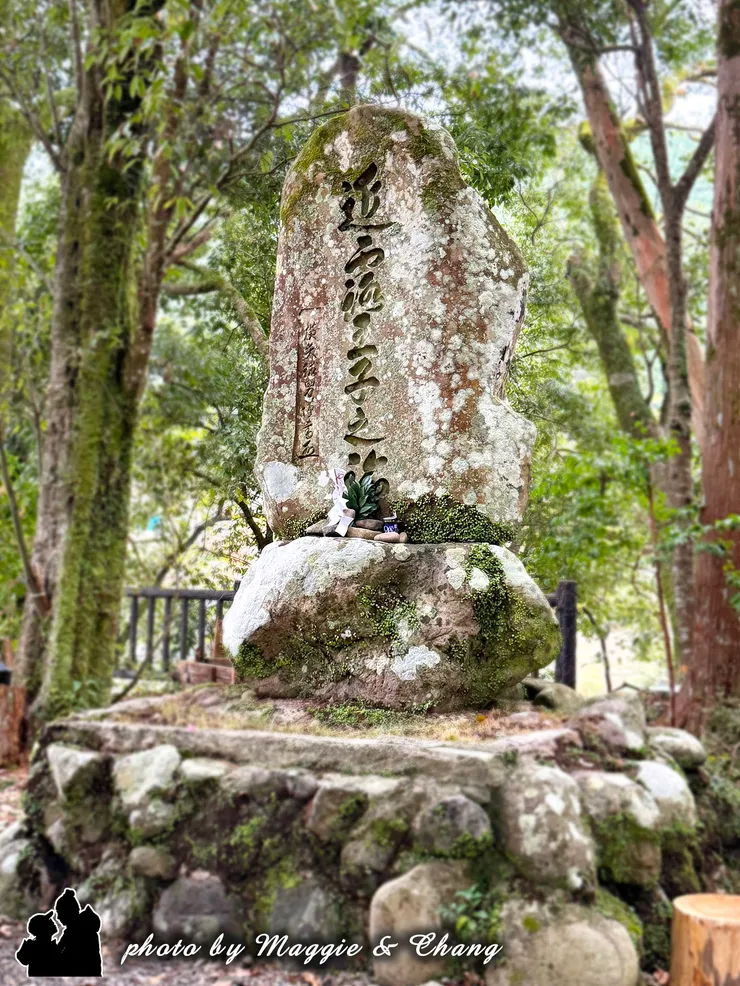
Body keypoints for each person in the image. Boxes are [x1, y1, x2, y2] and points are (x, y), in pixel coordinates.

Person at [54, 888, 103, 977]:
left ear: (67, 913)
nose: (57, 917)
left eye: (59, 913)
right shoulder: (74, 928)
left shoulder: (77, 930)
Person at [15, 910, 60, 977]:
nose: (53, 922)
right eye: (49, 921)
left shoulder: (51, 944)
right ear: (42, 928)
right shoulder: (36, 946)